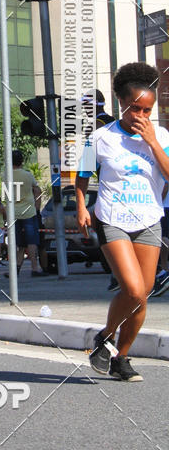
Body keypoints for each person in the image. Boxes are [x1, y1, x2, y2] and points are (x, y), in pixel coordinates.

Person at [77, 62, 169, 382]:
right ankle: (106, 339)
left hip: (148, 220)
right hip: (112, 217)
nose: (141, 116)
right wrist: (80, 206)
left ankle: (118, 354)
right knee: (132, 289)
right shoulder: (101, 137)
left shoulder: (163, 137)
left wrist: (154, 143)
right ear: (121, 103)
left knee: (142, 296)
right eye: (135, 109)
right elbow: (82, 174)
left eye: (147, 110)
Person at [8, 150, 44, 277]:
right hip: (29, 212)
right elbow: (37, 190)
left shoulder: (6, 175)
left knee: (18, 243)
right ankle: (35, 268)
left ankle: (15, 269)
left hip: (14, 213)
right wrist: (37, 207)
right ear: (22, 161)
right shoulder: (28, 175)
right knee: (32, 242)